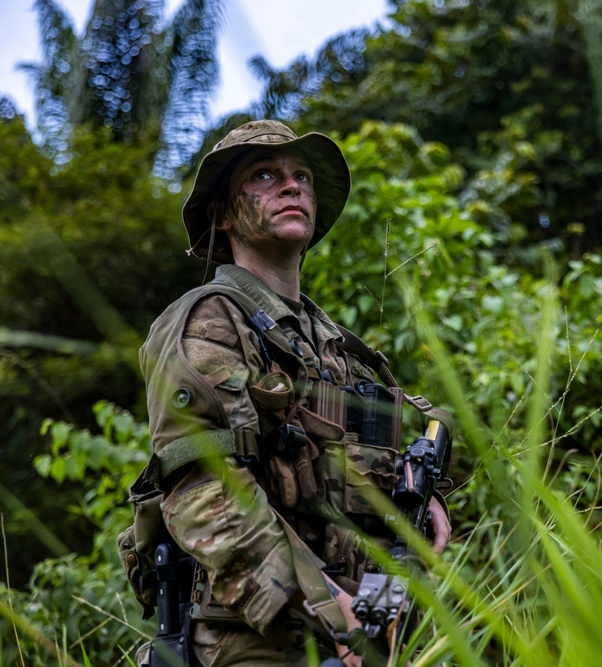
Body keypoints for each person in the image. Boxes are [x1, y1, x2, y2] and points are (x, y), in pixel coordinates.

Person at [137, 120, 451, 666]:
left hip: (364, 632)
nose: (293, 187)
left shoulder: (335, 349)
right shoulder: (210, 322)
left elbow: (404, 449)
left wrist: (431, 493)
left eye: (301, 176)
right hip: (262, 641)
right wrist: (334, 613)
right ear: (225, 214)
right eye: (265, 175)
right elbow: (206, 497)